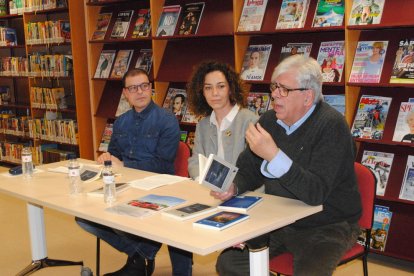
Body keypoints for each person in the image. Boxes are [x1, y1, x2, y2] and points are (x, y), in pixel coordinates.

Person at [213, 55, 362, 275]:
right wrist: (234, 186)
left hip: (328, 224)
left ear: (307, 96)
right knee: (229, 263)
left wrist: (274, 155)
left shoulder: (332, 127)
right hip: (279, 219)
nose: (274, 94)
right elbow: (249, 169)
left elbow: (315, 194)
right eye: (274, 86)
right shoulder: (269, 121)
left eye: (284, 89)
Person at [76, 69, 192, 276]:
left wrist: (124, 165)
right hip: (126, 185)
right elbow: (115, 155)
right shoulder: (121, 121)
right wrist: (107, 159)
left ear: (151, 88)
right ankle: (142, 255)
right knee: (84, 217)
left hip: (159, 186)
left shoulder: (167, 120)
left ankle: (139, 259)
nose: (140, 92)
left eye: (144, 86)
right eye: (133, 88)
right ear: (125, 93)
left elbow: (162, 163)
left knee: (124, 214)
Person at [187, 61, 258, 180]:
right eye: (208, 88)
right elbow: (195, 161)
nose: (214, 93)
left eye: (221, 86)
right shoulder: (203, 125)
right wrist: (201, 179)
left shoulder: (250, 121)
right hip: (210, 191)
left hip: (243, 192)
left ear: (231, 89)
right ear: (202, 93)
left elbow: (253, 168)